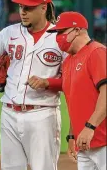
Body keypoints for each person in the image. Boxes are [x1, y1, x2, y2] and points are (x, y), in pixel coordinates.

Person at [0, 0, 65, 170]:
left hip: (43, 115)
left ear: (44, 7)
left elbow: (73, 81)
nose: (23, 11)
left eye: (29, 7)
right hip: (9, 113)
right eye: (21, 5)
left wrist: (49, 83)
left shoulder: (60, 38)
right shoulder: (9, 33)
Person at [48, 11, 107, 170]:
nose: (57, 37)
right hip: (85, 143)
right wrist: (72, 135)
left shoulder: (97, 53)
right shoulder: (67, 62)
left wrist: (90, 127)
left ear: (77, 30)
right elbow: (76, 101)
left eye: (61, 32)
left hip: (103, 141)